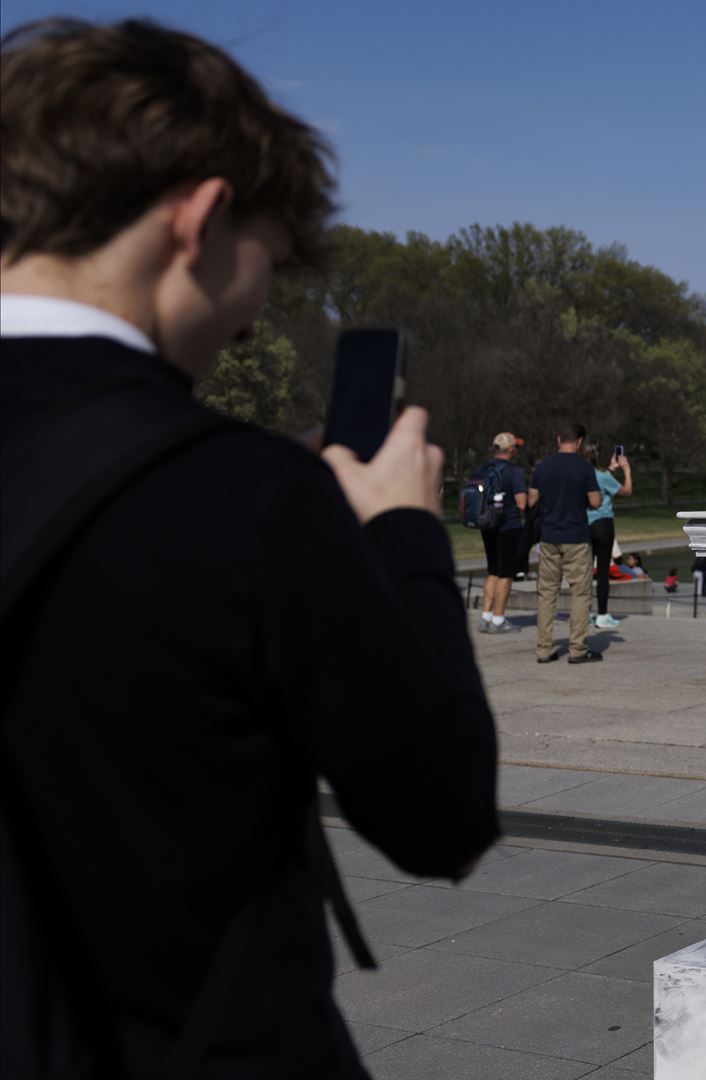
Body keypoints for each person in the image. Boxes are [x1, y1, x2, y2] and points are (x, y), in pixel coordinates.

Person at [0, 19, 499, 1078]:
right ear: (203, 217)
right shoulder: (241, 494)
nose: (247, 323)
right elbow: (440, 815)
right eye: (265, 261)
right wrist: (403, 533)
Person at [529, 424, 603, 664]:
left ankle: (544, 648)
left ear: (559, 439)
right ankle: (578, 648)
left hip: (549, 536)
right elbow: (595, 501)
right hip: (576, 536)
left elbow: (532, 499)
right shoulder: (584, 468)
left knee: (546, 594)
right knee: (580, 593)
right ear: (580, 442)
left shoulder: (543, 467)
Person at [474, 432, 529, 633]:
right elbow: (522, 503)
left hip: (487, 524)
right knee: (506, 574)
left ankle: (485, 617)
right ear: (511, 449)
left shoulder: (482, 468)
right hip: (508, 525)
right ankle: (498, 620)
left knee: (493, 571)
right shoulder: (514, 471)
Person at [584, 440, 633, 630]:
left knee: (586, 572)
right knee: (603, 571)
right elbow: (627, 490)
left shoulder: (583, 475)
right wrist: (626, 470)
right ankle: (602, 614)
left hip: (585, 524)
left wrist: (611, 470)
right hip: (603, 524)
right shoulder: (602, 477)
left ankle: (585, 612)